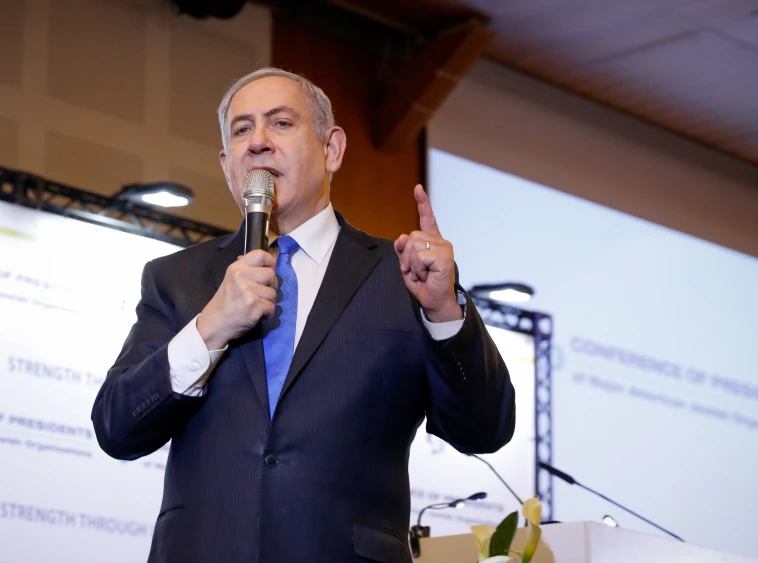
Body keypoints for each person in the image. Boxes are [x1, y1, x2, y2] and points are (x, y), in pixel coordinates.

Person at [91, 67, 515, 563]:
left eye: (281, 123)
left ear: (332, 149)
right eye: (242, 129)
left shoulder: (402, 278)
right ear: (228, 165)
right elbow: (117, 428)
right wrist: (210, 328)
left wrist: (444, 311)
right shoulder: (177, 280)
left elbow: (484, 429)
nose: (259, 142)